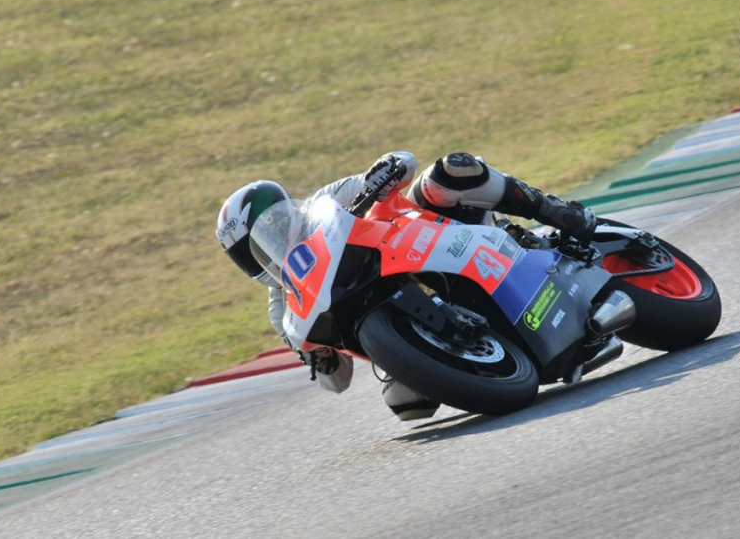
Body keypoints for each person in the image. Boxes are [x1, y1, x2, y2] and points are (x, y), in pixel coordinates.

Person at [216, 151, 596, 420]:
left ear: (288, 209)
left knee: (447, 173)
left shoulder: (322, 202)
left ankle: (555, 211)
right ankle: (482, 353)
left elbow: (401, 164)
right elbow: (338, 382)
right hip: (391, 315)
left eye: (274, 223)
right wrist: (321, 359)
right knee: (405, 403)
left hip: (417, 238)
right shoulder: (284, 307)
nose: (273, 240)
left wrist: (384, 171)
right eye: (255, 248)